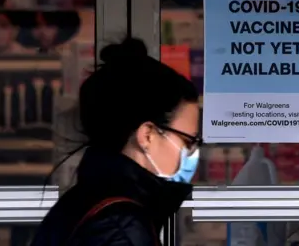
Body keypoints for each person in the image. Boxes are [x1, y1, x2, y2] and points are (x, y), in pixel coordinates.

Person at [30, 38, 202, 246]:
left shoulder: (95, 202)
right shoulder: (119, 225)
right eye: (187, 141)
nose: (192, 152)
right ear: (147, 135)